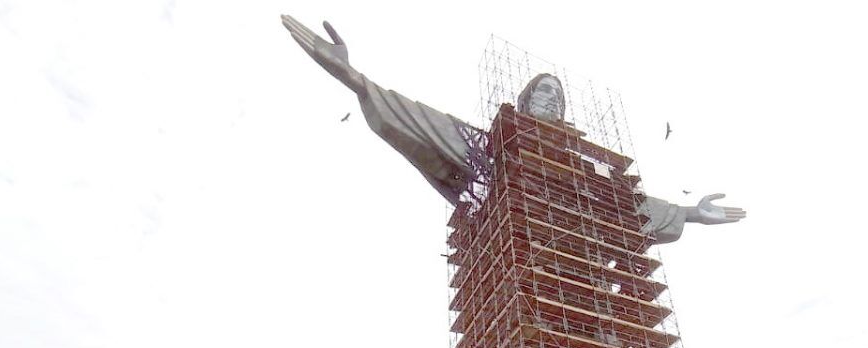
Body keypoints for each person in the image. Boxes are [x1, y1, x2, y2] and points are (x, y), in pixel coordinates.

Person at [279, 14, 745, 238]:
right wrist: (354, 78)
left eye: (559, 97)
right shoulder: (487, 150)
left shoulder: (584, 175)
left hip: (585, 279)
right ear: (522, 101)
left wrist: (688, 213)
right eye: (543, 91)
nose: (552, 100)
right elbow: (421, 123)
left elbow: (627, 205)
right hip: (527, 275)